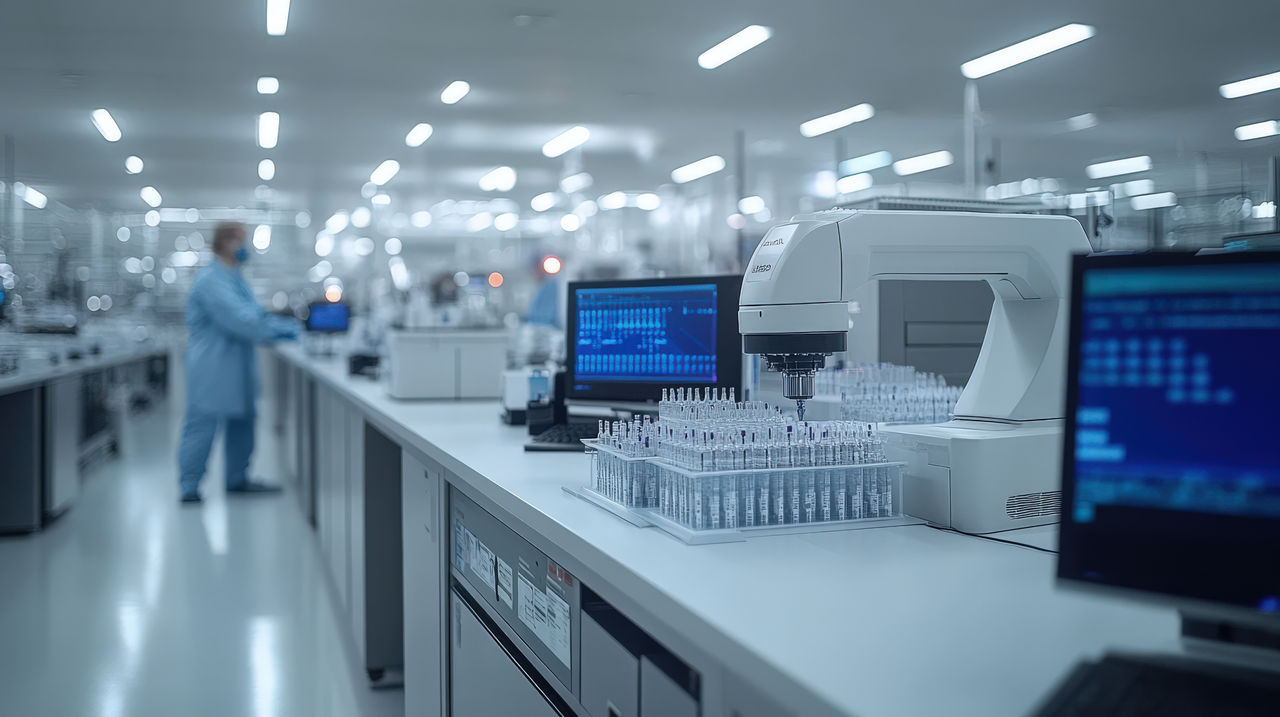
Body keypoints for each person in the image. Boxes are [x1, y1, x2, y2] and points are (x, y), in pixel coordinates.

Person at [178, 222, 298, 503]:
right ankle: (190, 487)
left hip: (237, 367)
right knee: (203, 425)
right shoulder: (211, 280)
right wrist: (290, 330)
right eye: (244, 241)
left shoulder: (234, 278)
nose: (248, 248)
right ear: (229, 243)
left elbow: (255, 315)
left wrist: (283, 327)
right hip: (212, 367)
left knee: (243, 423)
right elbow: (243, 321)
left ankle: (237, 479)